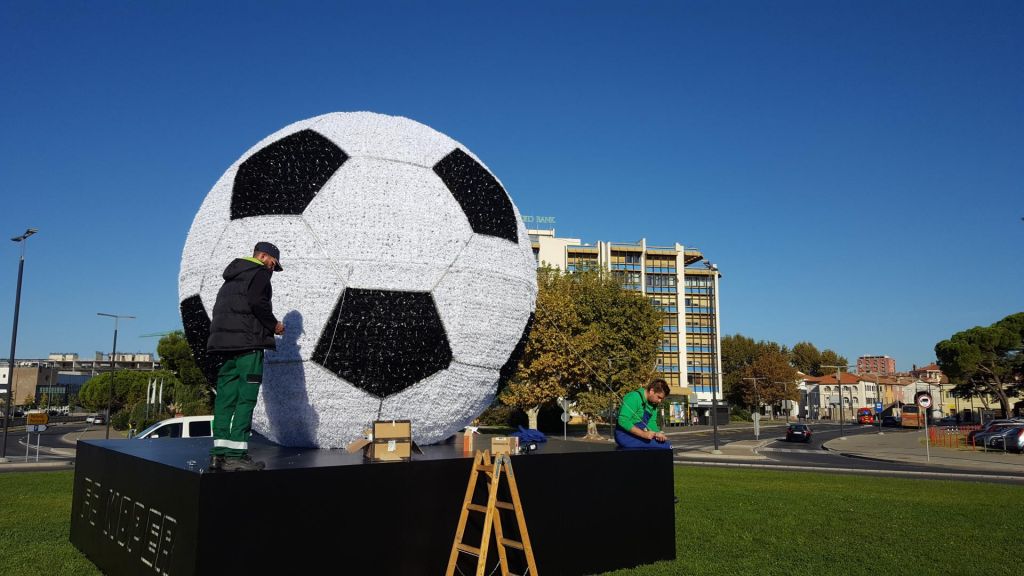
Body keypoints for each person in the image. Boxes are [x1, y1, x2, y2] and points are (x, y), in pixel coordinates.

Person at [207, 241, 286, 472]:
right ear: (263, 256)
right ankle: (236, 455)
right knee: (245, 399)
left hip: (224, 347)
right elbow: (257, 302)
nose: (273, 269)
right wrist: (274, 326)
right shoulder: (259, 273)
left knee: (225, 399)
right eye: (273, 263)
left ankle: (218, 455)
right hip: (248, 347)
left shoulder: (231, 278)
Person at [615, 379, 672, 450]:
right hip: (624, 435)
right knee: (666, 447)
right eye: (659, 397)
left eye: (661, 399)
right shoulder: (634, 397)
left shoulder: (653, 404)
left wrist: (658, 433)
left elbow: (651, 422)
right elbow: (623, 420)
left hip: (638, 435)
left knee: (666, 443)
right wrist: (643, 434)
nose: (659, 401)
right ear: (651, 391)